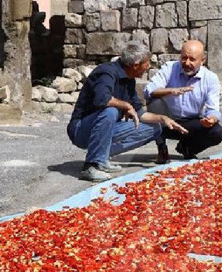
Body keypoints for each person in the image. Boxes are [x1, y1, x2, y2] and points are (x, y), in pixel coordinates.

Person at [67, 41, 187, 181]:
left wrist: (164, 119)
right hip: (81, 129)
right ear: (136, 65)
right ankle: (91, 166)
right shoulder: (106, 72)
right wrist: (125, 105)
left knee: (154, 128)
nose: (148, 68)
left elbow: (140, 113)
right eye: (146, 64)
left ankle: (102, 157)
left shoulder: (129, 80)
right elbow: (102, 100)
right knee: (111, 111)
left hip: (106, 128)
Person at [144, 39, 222, 164]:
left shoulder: (210, 78)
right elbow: (148, 91)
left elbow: (213, 108)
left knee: (218, 132)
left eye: (192, 59)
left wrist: (211, 119)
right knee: (154, 102)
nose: (187, 63)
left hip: (190, 124)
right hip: (166, 123)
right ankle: (162, 149)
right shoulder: (170, 68)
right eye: (184, 58)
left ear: (202, 60)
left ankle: (186, 148)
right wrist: (171, 91)